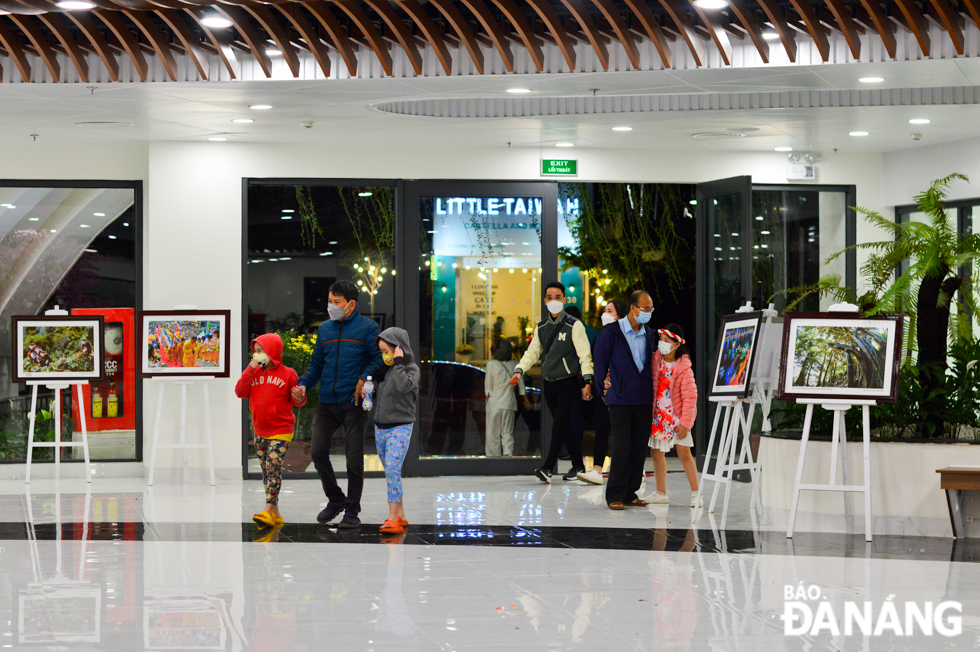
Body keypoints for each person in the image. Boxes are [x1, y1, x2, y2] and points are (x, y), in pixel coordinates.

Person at [292, 280, 383, 529]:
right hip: (326, 403)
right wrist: (303, 385)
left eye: (336, 302)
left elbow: (379, 360)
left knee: (354, 460)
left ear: (351, 304)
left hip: (352, 403)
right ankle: (336, 499)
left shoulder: (368, 328)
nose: (331, 306)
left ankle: (352, 511)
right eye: (329, 301)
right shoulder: (325, 330)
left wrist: (364, 377)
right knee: (318, 453)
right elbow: (316, 365)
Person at [510, 281, 594, 483]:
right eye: (550, 297)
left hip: (568, 382)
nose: (554, 301)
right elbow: (532, 352)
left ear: (564, 300)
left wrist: (587, 380)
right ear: (545, 300)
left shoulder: (575, 325)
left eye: (558, 297)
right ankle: (578, 466)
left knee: (558, 424)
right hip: (549, 382)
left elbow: (585, 355)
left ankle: (547, 467)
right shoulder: (542, 327)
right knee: (562, 424)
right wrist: (519, 370)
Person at [593, 290, 657, 509]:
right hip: (619, 399)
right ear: (633, 308)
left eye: (650, 309)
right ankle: (615, 495)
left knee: (639, 447)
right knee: (621, 446)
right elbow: (600, 364)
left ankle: (631, 492)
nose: (648, 313)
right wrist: (604, 392)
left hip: (643, 399)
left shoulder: (649, 334)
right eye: (645, 308)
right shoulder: (611, 333)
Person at [235, 333, 307, 529]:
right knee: (266, 471)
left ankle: (267, 509)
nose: (257, 355)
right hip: (259, 429)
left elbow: (297, 400)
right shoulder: (254, 373)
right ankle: (275, 514)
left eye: (262, 351)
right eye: (255, 351)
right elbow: (240, 391)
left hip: (281, 430)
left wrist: (299, 396)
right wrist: (250, 369)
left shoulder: (288, 373)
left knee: (273, 467)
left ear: (273, 352)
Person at [364, 327, 419, 535]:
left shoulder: (411, 369)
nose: (384, 356)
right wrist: (370, 391)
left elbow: (405, 386)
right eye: (382, 352)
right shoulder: (384, 370)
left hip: (401, 426)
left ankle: (392, 517)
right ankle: (401, 514)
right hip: (381, 427)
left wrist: (398, 364)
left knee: (393, 469)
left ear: (399, 349)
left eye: (387, 351)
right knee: (390, 472)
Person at [577, 299, 629, 485]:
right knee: (601, 429)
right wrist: (589, 383)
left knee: (623, 431)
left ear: (620, 315)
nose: (605, 314)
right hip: (602, 391)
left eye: (610, 310)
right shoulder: (601, 336)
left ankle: (632, 471)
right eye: (605, 310)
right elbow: (592, 361)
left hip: (621, 391)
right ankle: (597, 469)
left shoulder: (627, 336)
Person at [648, 324, 700, 506]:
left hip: (677, 417)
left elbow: (690, 396)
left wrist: (686, 423)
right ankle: (660, 492)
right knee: (656, 453)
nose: (662, 344)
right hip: (659, 416)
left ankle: (696, 492)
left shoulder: (684, 368)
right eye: (661, 340)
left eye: (667, 341)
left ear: (677, 344)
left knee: (684, 452)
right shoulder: (655, 361)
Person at [485, 339, 525, 457]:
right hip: (509, 402)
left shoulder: (491, 364)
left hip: (494, 403)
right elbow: (521, 386)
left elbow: (488, 387)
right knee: (507, 432)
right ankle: (508, 454)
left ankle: (493, 457)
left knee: (493, 432)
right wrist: (525, 400)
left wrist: (487, 398)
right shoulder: (515, 364)